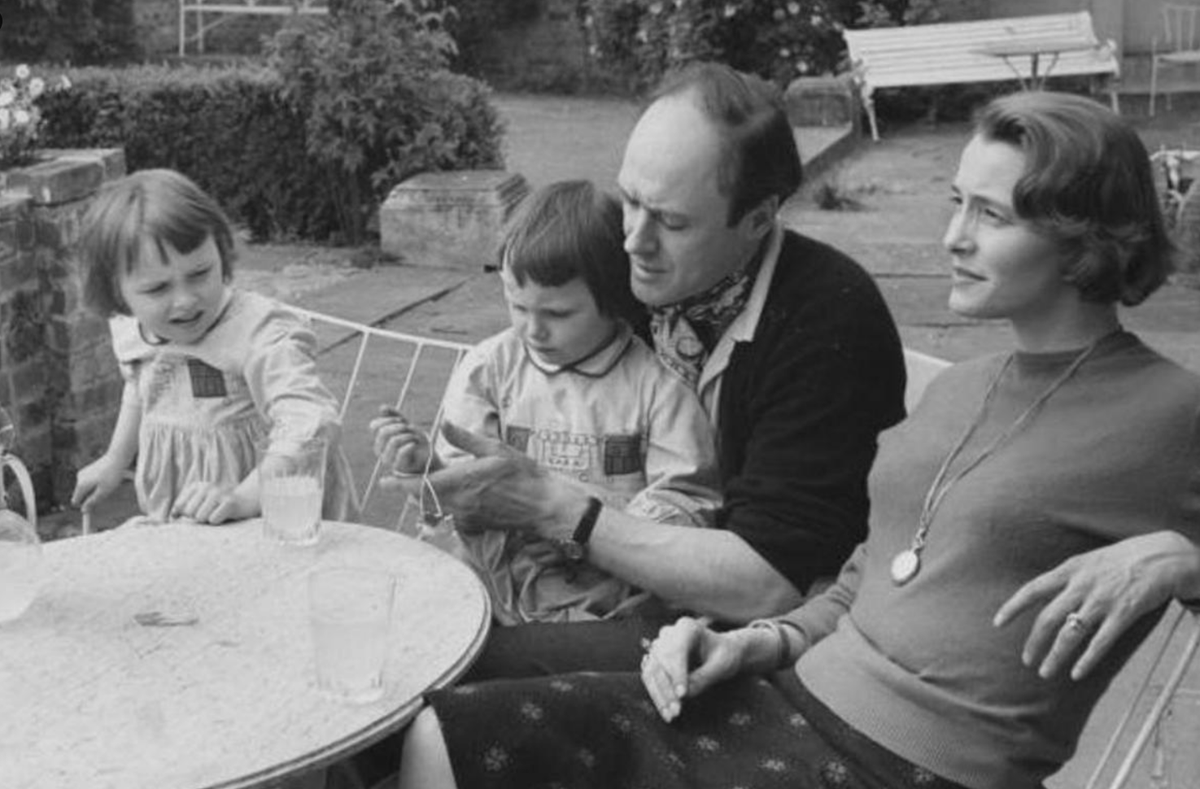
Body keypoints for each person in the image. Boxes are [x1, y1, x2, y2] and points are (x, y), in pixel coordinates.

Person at [397, 91, 1200, 789]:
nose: (952, 235)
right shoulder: (965, 387)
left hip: (909, 765)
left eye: (989, 215)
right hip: (789, 696)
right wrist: (754, 643)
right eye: (956, 201)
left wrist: (1184, 558)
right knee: (440, 733)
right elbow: (863, 582)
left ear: (1084, 238)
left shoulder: (1165, 408)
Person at [400, 60, 906, 677]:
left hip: (739, 641)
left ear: (757, 218)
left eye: (670, 221)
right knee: (398, 628)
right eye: (629, 200)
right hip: (587, 588)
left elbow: (766, 584)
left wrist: (551, 507)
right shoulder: (631, 273)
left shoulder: (828, 320)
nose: (632, 240)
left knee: (435, 669)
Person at [371, 179, 721, 625]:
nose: (532, 330)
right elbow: (465, 493)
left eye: (556, 314)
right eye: (517, 307)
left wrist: (577, 525)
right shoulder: (490, 368)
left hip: (609, 597)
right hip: (495, 588)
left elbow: (686, 506)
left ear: (614, 300)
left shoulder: (656, 387)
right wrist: (428, 468)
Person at [71, 168, 355, 526]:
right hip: (191, 509)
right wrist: (115, 459)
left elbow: (310, 422)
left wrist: (243, 498)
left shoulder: (259, 332)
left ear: (221, 252)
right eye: (158, 289)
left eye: (200, 273)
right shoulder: (133, 326)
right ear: (118, 294)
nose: (186, 300)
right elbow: (140, 386)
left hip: (277, 508)